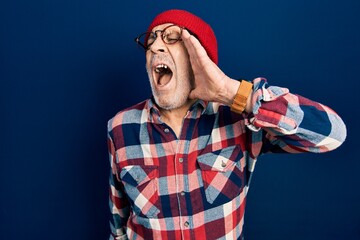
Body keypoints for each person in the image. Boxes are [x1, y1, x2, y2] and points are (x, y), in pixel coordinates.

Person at [107, 9, 346, 240]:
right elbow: (118, 225)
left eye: (172, 37)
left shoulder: (240, 119)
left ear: (200, 58)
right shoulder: (120, 127)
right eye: (151, 40)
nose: (156, 47)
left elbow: (332, 134)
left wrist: (231, 93)